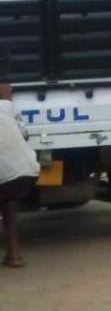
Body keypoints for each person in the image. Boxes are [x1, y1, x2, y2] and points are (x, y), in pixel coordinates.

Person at [0, 83, 40, 268]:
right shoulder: (6, 107)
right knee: (7, 202)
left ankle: (14, 256)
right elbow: (25, 135)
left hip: (7, 176)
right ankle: (14, 256)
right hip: (28, 173)